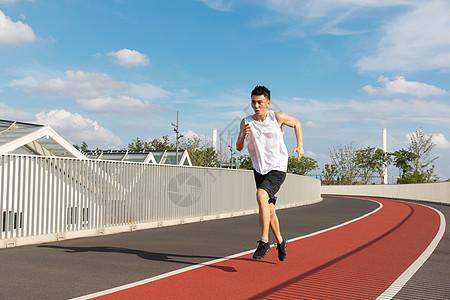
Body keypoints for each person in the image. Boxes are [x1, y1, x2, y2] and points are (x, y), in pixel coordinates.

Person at [236, 85, 304, 261]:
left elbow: (297, 123)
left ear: (268, 102)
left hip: (278, 167)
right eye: (253, 102)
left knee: (261, 195)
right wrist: (243, 135)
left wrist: (300, 145)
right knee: (270, 210)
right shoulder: (246, 121)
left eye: (260, 102)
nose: (256, 106)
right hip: (260, 169)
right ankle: (281, 242)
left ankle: (264, 241)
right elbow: (238, 147)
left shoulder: (277, 117)